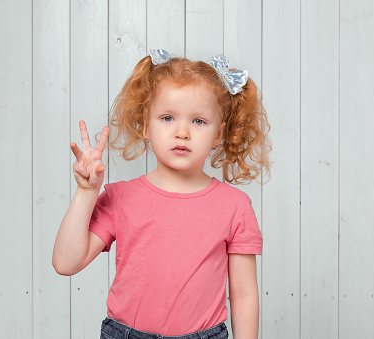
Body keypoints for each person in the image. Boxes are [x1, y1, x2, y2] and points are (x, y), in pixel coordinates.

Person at [52, 49, 271, 339]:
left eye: (199, 121)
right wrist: (85, 192)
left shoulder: (235, 206)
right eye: (167, 118)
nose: (182, 132)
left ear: (219, 134)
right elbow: (66, 263)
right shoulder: (120, 198)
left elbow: (243, 295)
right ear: (145, 125)